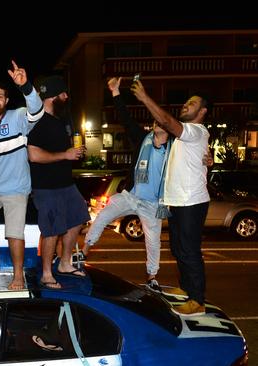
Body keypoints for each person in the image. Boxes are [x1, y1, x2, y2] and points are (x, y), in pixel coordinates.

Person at [82, 77, 172, 291]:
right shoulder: (143, 139)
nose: (157, 126)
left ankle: (152, 276)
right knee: (103, 215)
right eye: (155, 123)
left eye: (162, 124)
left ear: (168, 129)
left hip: (153, 204)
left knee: (153, 241)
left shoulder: (175, 147)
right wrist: (115, 92)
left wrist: (207, 161)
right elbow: (125, 119)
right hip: (132, 195)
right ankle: (83, 251)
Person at [131, 80, 212, 316]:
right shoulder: (186, 138)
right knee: (178, 248)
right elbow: (198, 162)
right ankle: (187, 288)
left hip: (191, 202)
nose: (187, 105)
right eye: (187, 102)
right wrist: (210, 161)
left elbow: (166, 121)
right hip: (177, 201)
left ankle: (197, 301)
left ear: (203, 112)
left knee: (189, 250)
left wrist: (145, 98)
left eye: (193, 103)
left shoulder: (195, 131)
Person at [0, 61, 44, 291]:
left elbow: (36, 110)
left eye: (1, 96)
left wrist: (26, 86)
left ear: (7, 101)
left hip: (16, 188)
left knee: (15, 234)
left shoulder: (18, 117)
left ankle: (18, 275)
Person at [27, 75, 90, 289]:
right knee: (52, 229)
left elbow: (67, 150)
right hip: (46, 186)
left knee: (79, 216)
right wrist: (65, 155)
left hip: (66, 183)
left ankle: (64, 262)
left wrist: (75, 153)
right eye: (63, 94)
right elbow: (33, 155)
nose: (67, 97)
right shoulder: (37, 121)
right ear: (52, 97)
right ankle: (46, 274)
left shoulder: (63, 119)